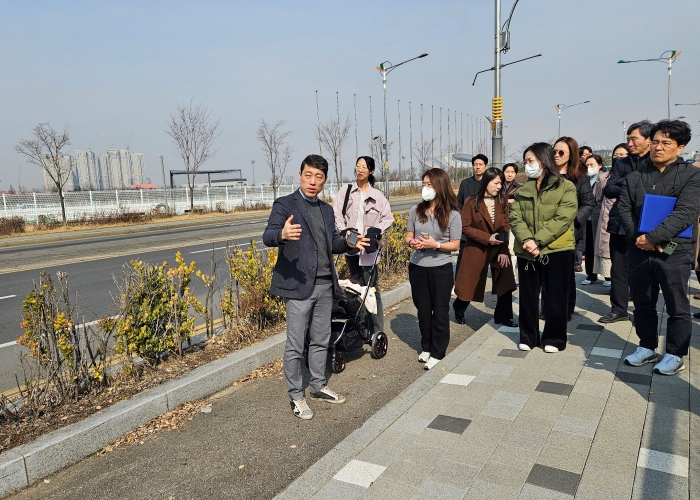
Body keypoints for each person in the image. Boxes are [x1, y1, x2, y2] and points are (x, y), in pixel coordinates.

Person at [263, 154, 367, 420]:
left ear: (325, 180)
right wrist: (282, 235)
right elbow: (268, 235)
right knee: (296, 345)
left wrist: (348, 243)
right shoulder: (285, 204)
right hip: (298, 286)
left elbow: (332, 242)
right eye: (308, 175)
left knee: (321, 340)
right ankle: (296, 396)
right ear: (300, 175)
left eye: (318, 177)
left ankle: (318, 385)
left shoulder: (325, 210)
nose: (312, 181)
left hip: (324, 285)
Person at [618, 120, 700, 375]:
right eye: (655, 142)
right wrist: (639, 239)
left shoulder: (692, 175)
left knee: (677, 305)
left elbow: (685, 213)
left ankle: (675, 353)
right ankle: (647, 346)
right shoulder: (635, 176)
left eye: (666, 143)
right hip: (638, 249)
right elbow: (623, 209)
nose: (658, 147)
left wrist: (654, 238)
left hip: (676, 250)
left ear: (680, 147)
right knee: (643, 301)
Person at [510, 143, 577, 352]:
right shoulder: (523, 190)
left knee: (557, 296)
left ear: (543, 160)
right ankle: (528, 337)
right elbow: (515, 217)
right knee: (528, 296)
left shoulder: (566, 187)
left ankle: (554, 339)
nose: (526, 165)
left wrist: (537, 241)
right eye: (525, 161)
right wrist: (528, 241)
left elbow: (563, 218)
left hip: (556, 250)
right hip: (527, 251)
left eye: (530, 161)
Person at [406, 168, 461, 370]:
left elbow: (455, 245)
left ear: (440, 186)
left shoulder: (453, 214)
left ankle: (438, 352)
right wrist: (412, 243)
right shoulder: (415, 210)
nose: (425, 188)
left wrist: (435, 245)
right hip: (418, 267)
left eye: (430, 185)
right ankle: (426, 347)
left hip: (441, 268)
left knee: (439, 310)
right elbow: (408, 236)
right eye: (424, 184)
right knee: (423, 310)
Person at [599, 120, 653, 324]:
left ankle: (643, 309)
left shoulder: (655, 162)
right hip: (619, 223)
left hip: (646, 224)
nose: (629, 143)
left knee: (644, 270)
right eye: (628, 139)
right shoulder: (621, 163)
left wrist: (626, 183)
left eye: (634, 139)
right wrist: (632, 182)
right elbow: (609, 190)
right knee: (618, 269)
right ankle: (618, 309)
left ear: (649, 140)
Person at [333, 156, 394, 331]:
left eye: (364, 167)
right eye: (357, 166)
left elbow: (388, 218)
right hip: (351, 245)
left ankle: (376, 330)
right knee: (356, 287)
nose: (359, 170)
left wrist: (377, 231)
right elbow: (336, 214)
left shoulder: (378, 196)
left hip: (369, 248)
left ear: (371, 171)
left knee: (371, 289)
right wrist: (344, 231)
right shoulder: (346, 191)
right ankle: (361, 327)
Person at [453, 168, 518, 327]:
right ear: (486, 182)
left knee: (505, 282)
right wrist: (486, 238)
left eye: (501, 183)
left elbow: (506, 226)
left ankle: (503, 316)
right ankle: (459, 308)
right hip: (477, 247)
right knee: (469, 284)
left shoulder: (502, 200)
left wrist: (503, 250)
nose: (499, 186)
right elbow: (465, 227)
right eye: (496, 183)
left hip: (499, 247)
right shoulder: (471, 201)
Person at [540, 136, 593, 320]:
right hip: (546, 231)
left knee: (565, 275)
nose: (556, 155)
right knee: (546, 272)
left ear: (572, 155)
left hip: (569, 232)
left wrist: (573, 221)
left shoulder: (580, 175)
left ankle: (565, 309)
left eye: (561, 152)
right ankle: (546, 308)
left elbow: (588, 203)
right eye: (554, 151)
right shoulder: (545, 173)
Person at [592, 144, 629, 287]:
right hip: (608, 217)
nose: (618, 158)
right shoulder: (603, 177)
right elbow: (599, 197)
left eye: (622, 155)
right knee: (611, 254)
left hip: (628, 220)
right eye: (616, 155)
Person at [455, 154, 488, 275]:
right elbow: (459, 202)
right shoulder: (465, 183)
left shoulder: (490, 183)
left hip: (484, 228)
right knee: (462, 257)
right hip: (467, 227)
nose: (477, 167)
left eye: (480, 165)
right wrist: (462, 217)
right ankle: (458, 283)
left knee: (481, 258)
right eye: (475, 165)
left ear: (486, 166)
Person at [581, 154, 604, 284]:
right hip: (587, 219)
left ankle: (608, 276)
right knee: (589, 247)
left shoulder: (604, 178)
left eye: (592, 165)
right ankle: (591, 274)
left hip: (599, 217)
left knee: (602, 247)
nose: (589, 167)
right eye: (587, 165)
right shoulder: (584, 180)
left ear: (600, 165)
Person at [503, 163, 521, 282]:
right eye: (507, 172)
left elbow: (520, 203)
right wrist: (507, 200)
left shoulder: (519, 188)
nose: (509, 174)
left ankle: (512, 276)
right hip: (500, 221)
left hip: (513, 221)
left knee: (511, 249)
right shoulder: (498, 185)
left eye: (512, 172)